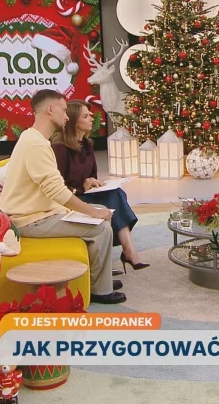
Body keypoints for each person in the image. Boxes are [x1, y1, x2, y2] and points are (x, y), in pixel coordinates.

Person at [0, 89, 126, 305]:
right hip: (30, 220)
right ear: (50, 109)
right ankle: (100, 290)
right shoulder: (36, 144)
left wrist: (91, 210)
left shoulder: (33, 138)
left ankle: (96, 279)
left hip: (39, 213)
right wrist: (92, 212)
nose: (67, 117)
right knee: (101, 227)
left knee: (101, 212)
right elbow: (56, 190)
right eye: (64, 110)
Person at [51, 99, 149, 275]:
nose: (92, 119)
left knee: (116, 193)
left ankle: (128, 250)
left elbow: (92, 175)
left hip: (85, 192)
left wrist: (93, 182)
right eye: (86, 116)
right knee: (114, 198)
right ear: (74, 121)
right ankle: (127, 253)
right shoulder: (60, 148)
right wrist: (82, 187)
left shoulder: (87, 144)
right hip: (71, 198)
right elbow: (57, 186)